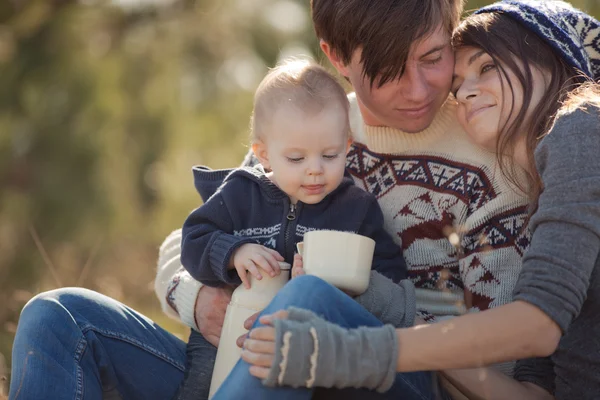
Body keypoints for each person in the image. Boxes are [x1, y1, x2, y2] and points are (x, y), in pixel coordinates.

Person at [9, 0, 530, 398]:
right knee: (57, 315)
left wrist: (345, 300)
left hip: (392, 374)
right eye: (388, 69)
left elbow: (503, 349)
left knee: (301, 305)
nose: (417, 88)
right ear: (337, 57)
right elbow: (197, 230)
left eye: (434, 58)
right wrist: (199, 298)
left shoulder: (491, 151)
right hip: (239, 361)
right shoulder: (310, 118)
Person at [227, 1, 600, 399]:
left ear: (555, 58)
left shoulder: (580, 126)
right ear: (337, 58)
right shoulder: (546, 188)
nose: (464, 93)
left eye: (488, 67)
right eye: (458, 83)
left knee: (309, 297)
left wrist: (348, 349)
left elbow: (536, 328)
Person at [174, 59, 410, 399]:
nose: (314, 171)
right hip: (229, 331)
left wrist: (349, 288)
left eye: (329, 155)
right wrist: (233, 252)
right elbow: (194, 239)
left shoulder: (357, 209)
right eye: (296, 159)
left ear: (347, 145)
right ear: (264, 154)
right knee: (201, 382)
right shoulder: (240, 193)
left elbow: (391, 277)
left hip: (311, 348)